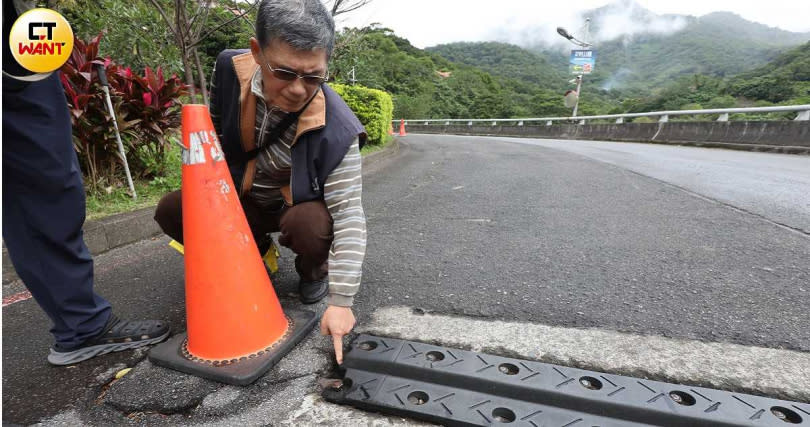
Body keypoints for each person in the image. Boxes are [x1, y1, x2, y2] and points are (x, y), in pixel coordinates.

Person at [154, 0, 367, 364]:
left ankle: (312, 270)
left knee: (312, 224)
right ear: (257, 52)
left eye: (314, 77)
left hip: (295, 206)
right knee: (175, 208)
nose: (299, 89)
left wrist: (341, 302)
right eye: (284, 72)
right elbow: (219, 132)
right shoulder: (230, 70)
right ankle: (252, 254)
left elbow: (349, 215)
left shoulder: (339, 129)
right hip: (244, 198)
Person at [2, 0, 170, 366]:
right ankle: (82, 326)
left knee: (30, 190)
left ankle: (81, 324)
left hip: (20, 43)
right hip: (14, 60)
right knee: (46, 184)